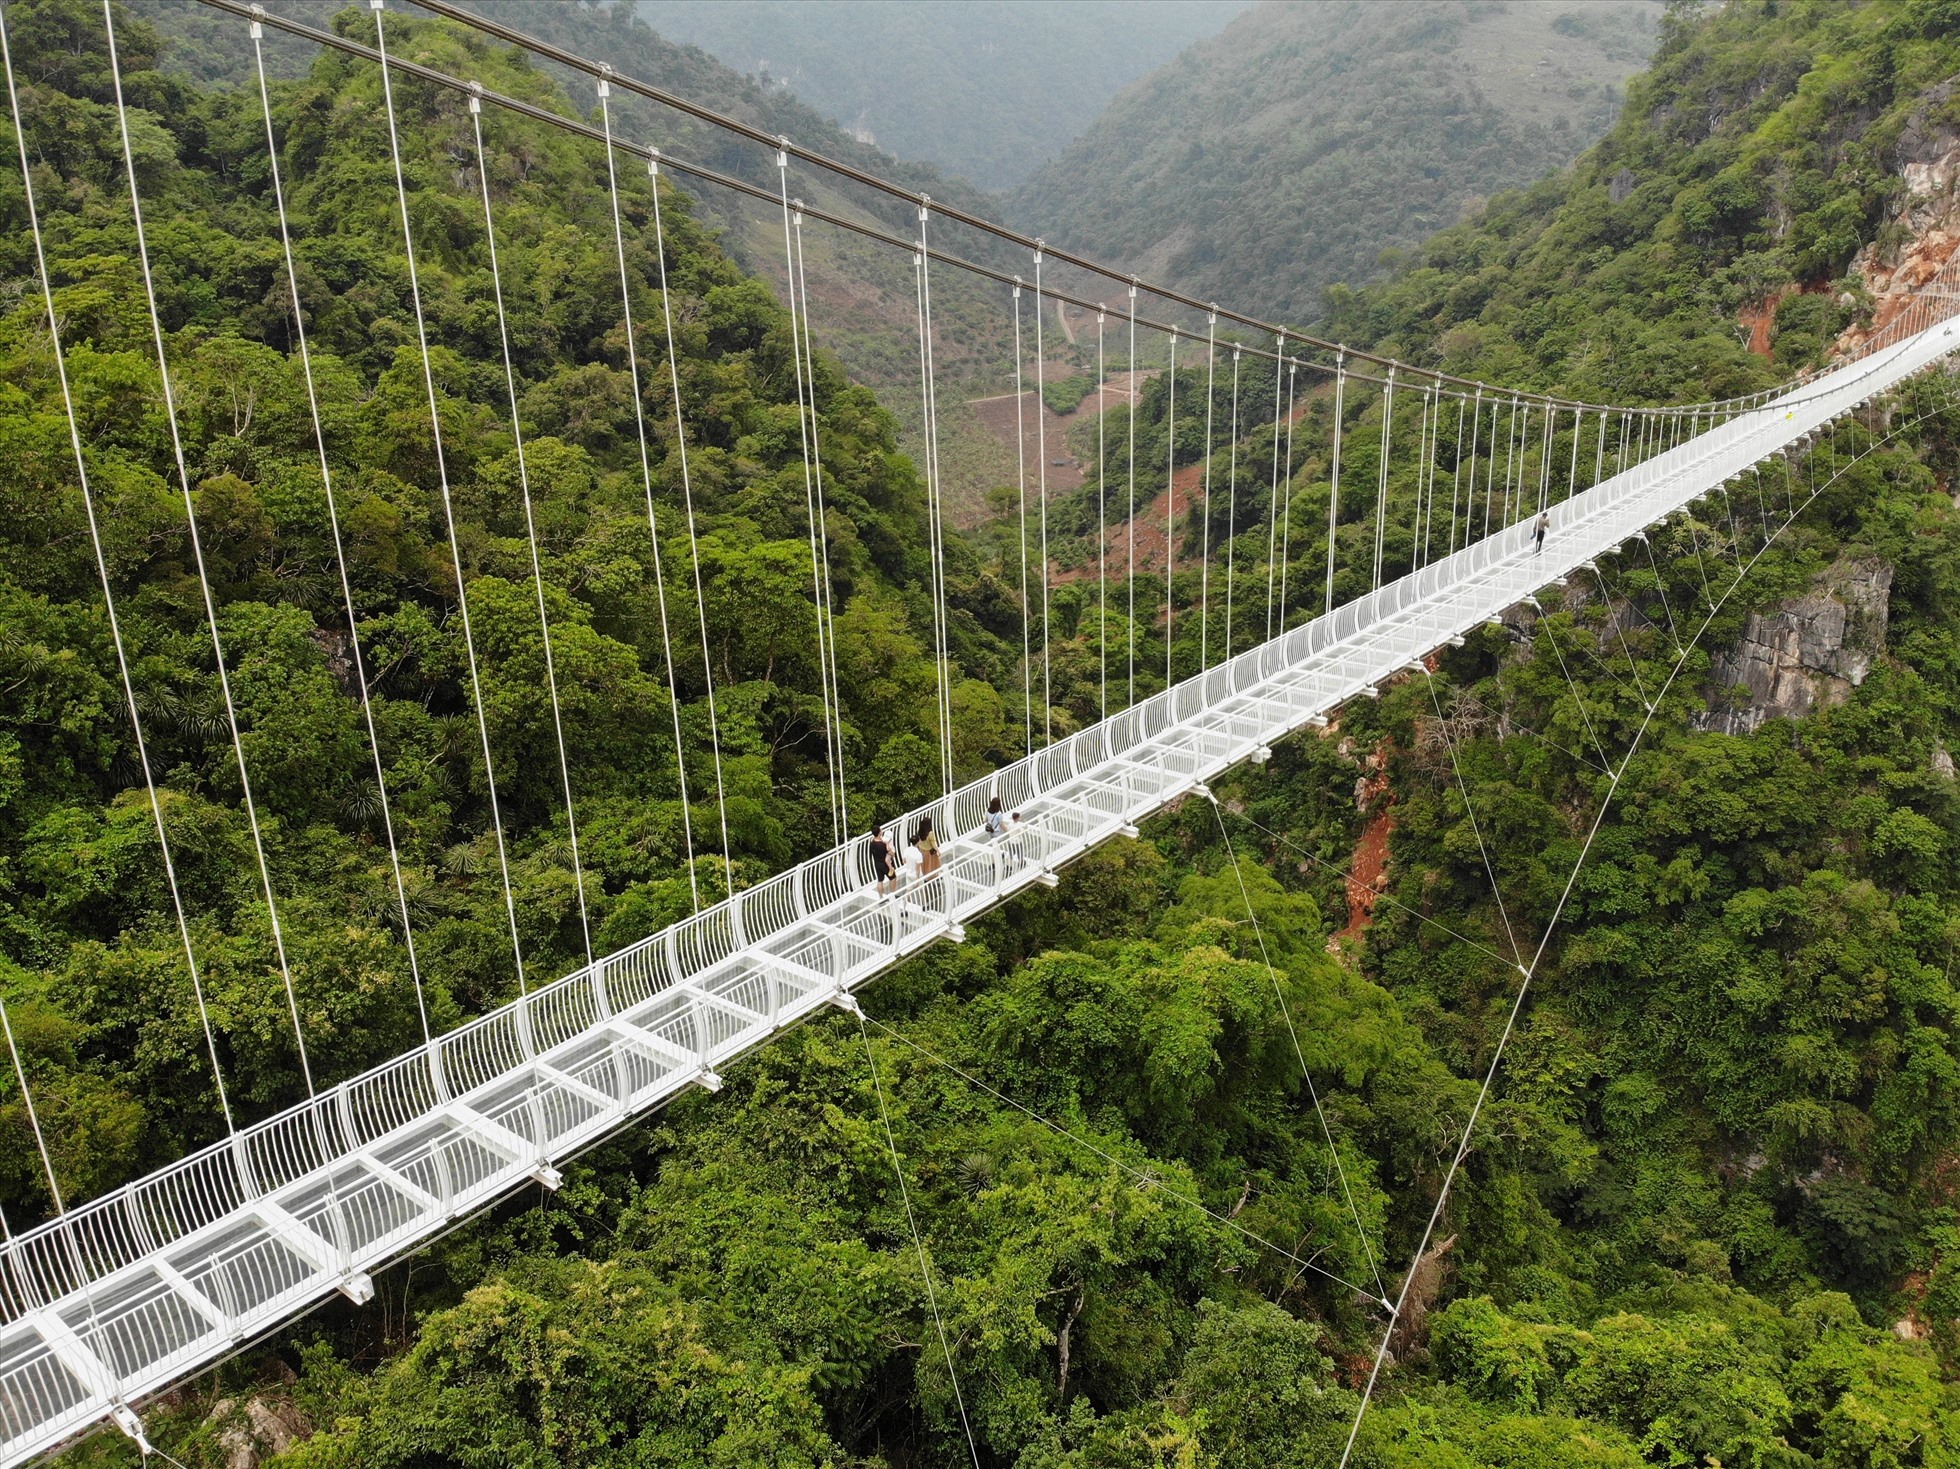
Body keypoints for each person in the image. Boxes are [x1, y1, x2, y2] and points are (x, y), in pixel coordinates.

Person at [868, 820, 895, 897]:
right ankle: (893, 894)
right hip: (885, 864)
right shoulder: (882, 844)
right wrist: (892, 852)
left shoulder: (872, 842)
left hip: (877, 864)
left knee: (880, 880)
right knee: (892, 877)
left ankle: (881, 897)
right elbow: (891, 854)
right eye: (881, 830)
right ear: (879, 832)